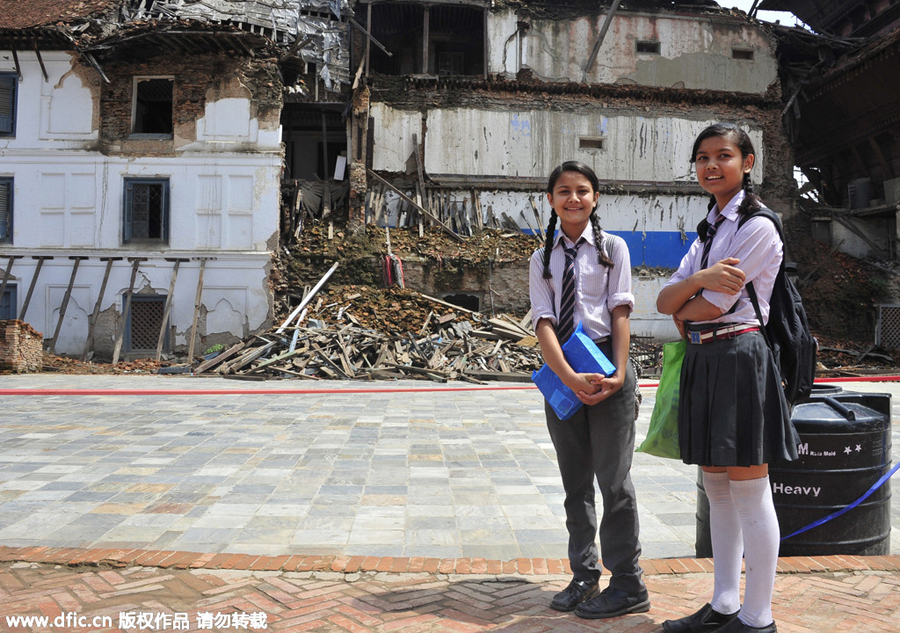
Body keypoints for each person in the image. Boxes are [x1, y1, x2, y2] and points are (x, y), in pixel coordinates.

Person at [656, 123, 800, 633]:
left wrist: (689, 299)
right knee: (716, 488)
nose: (711, 166)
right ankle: (722, 605)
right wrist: (695, 283)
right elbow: (666, 301)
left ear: (749, 162)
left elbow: (709, 306)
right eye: (702, 158)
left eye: (723, 156)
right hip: (705, 357)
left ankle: (757, 617)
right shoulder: (708, 231)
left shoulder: (759, 226)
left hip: (740, 356)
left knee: (749, 489)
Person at [529, 161, 648, 620]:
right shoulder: (541, 258)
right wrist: (566, 377)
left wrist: (618, 374)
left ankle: (628, 582)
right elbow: (543, 323)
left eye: (582, 190)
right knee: (574, 482)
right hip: (563, 369)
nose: (573, 198)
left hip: (606, 368)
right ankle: (584, 575)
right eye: (564, 191)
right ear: (551, 200)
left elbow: (621, 313)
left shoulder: (613, 248)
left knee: (614, 481)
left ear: (596, 198)